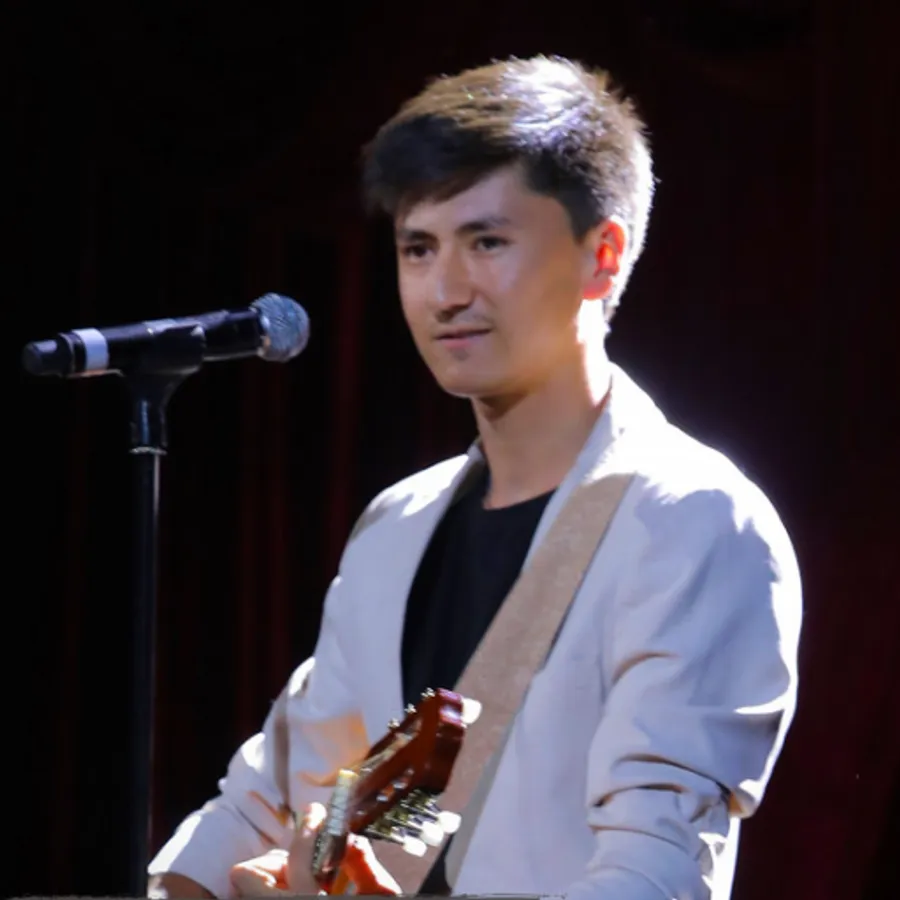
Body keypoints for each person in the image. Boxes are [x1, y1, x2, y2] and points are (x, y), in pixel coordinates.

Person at [147, 54, 803, 900]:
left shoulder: (694, 520)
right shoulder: (399, 525)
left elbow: (655, 862)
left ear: (603, 255)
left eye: (487, 242)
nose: (445, 291)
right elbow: (279, 798)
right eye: (418, 249)